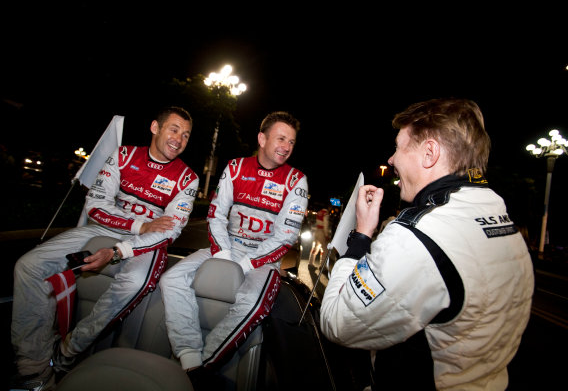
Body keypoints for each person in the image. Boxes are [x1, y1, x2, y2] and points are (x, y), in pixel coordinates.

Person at [320, 98, 534, 390]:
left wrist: (360, 238)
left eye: (398, 146)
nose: (392, 159)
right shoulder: (499, 214)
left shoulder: (418, 236)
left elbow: (336, 322)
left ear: (429, 152)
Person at [11, 106, 199, 389]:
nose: (179, 139)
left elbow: (168, 231)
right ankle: (34, 367)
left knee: (134, 282)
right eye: (174, 129)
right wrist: (140, 223)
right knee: (28, 265)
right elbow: (96, 206)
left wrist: (124, 244)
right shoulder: (123, 155)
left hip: (145, 243)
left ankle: (67, 353)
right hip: (109, 228)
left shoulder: (188, 178)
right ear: (155, 127)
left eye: (185, 135)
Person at [160, 111, 309, 384]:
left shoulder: (296, 181)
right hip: (226, 246)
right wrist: (225, 256)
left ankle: (203, 368)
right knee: (171, 278)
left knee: (252, 302)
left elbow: (286, 238)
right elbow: (216, 215)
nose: (286, 146)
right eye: (281, 138)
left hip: (263, 259)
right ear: (262, 138)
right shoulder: (236, 167)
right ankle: (189, 355)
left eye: (291, 141)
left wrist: (245, 264)